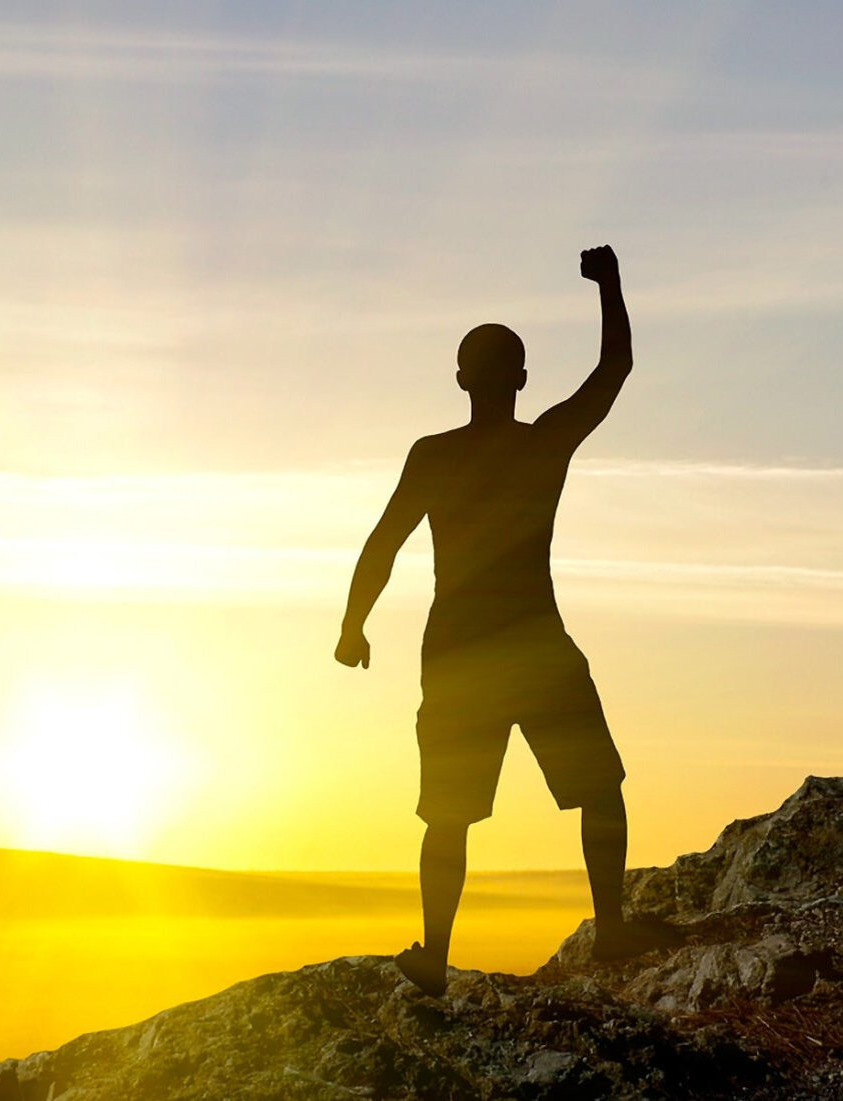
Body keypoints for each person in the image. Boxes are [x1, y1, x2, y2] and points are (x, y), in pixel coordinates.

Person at [335, 244, 650, 998]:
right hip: (535, 644)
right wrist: (609, 285)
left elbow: (383, 543)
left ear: (460, 380)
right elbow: (614, 370)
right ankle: (611, 928)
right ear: (520, 380)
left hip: (457, 654)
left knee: (447, 815)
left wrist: (353, 626)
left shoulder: (433, 456)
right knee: (598, 787)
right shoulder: (542, 443)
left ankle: (434, 954)